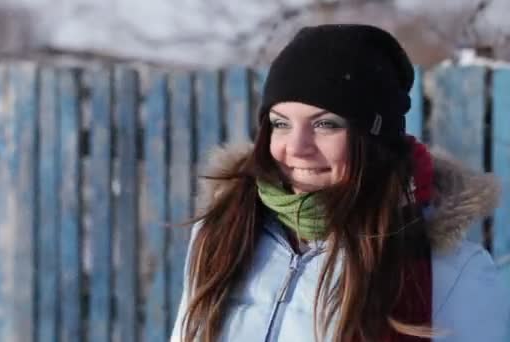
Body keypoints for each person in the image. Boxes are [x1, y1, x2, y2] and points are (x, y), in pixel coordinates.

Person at [170, 24, 509, 342]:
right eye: (280, 123)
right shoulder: (224, 231)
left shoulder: (449, 273)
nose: (296, 148)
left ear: (373, 139)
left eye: (325, 125)